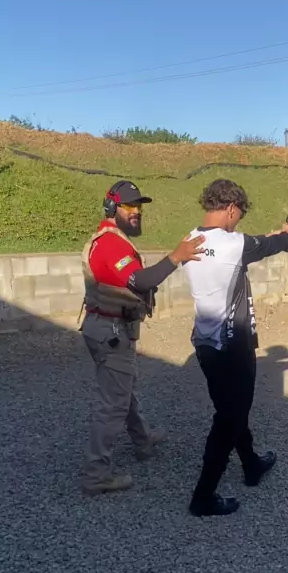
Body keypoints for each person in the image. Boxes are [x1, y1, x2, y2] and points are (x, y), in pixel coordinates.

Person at [183, 178, 288, 517]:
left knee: (231, 409)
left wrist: (272, 236)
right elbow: (266, 245)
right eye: (239, 216)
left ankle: (250, 464)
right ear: (231, 209)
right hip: (233, 344)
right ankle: (204, 495)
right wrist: (287, 235)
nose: (238, 223)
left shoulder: (190, 240)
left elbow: (248, 245)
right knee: (229, 418)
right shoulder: (233, 245)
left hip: (205, 343)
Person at [80, 180, 204, 496]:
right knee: (113, 403)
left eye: (139, 206)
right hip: (111, 331)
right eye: (129, 206)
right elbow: (140, 280)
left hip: (107, 328)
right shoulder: (111, 244)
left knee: (123, 390)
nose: (136, 211)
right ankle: (96, 474)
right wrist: (176, 257)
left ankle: (142, 440)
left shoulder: (109, 240)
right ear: (112, 207)